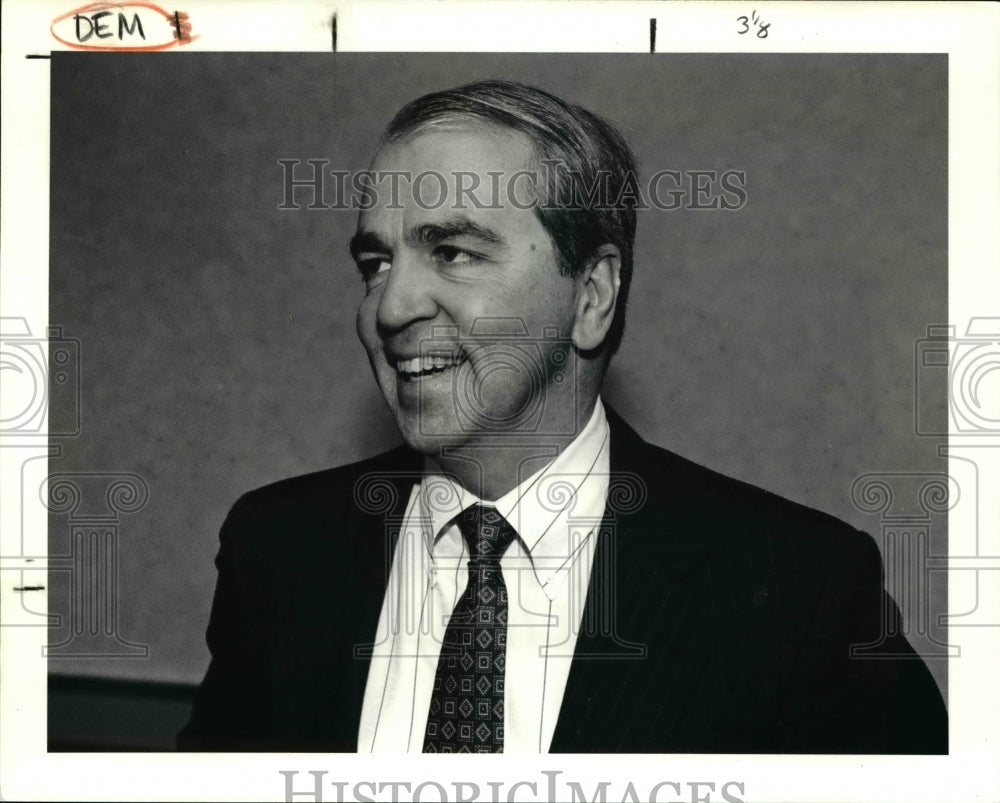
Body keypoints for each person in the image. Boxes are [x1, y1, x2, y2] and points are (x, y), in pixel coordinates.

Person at [178, 79, 947, 754]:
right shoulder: (278, 552)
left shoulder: (798, 590)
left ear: (592, 295)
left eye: (452, 251)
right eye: (375, 263)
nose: (392, 305)